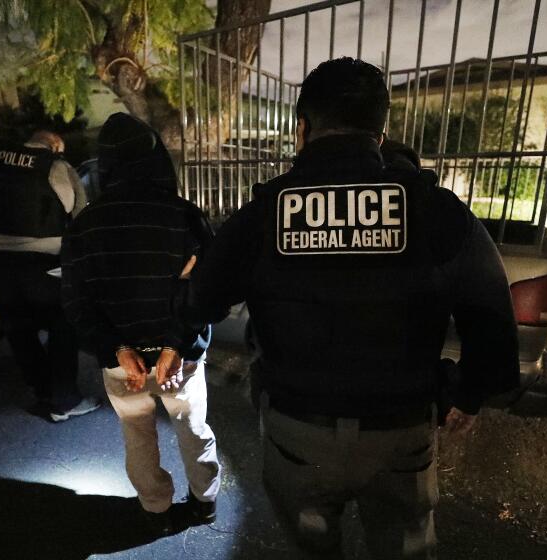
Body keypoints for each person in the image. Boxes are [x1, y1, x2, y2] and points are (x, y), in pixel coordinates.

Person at [181, 57, 520, 559]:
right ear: (380, 134)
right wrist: (468, 394)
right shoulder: (437, 211)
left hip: (298, 436)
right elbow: (493, 316)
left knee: (313, 547)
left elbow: (202, 303)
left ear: (302, 128)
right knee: (404, 547)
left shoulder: (262, 215)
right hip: (402, 434)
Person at [60, 113, 221, 534]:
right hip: (181, 358)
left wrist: (119, 349)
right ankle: (205, 503)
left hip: (122, 364)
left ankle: (155, 509)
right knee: (193, 430)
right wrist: (173, 344)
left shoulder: (83, 226)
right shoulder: (184, 216)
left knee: (138, 436)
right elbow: (208, 292)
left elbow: (77, 302)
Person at [0, 130, 101, 422]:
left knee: (19, 331)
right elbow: (80, 215)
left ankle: (41, 389)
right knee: (62, 330)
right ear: (54, 146)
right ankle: (65, 400)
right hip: (46, 265)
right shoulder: (57, 167)